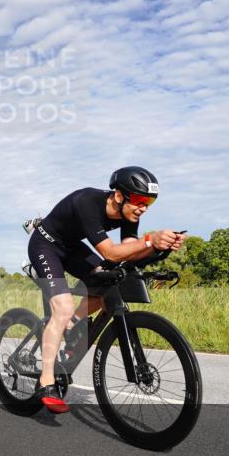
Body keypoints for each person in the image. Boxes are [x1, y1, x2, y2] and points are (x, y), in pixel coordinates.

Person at [27, 166, 185, 413]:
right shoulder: (87, 201)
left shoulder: (130, 214)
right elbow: (110, 252)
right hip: (46, 245)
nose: (144, 208)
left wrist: (159, 248)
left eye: (149, 203)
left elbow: (129, 251)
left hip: (72, 248)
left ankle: (73, 326)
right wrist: (150, 240)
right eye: (140, 201)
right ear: (119, 196)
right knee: (63, 308)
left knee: (108, 280)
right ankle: (45, 381)